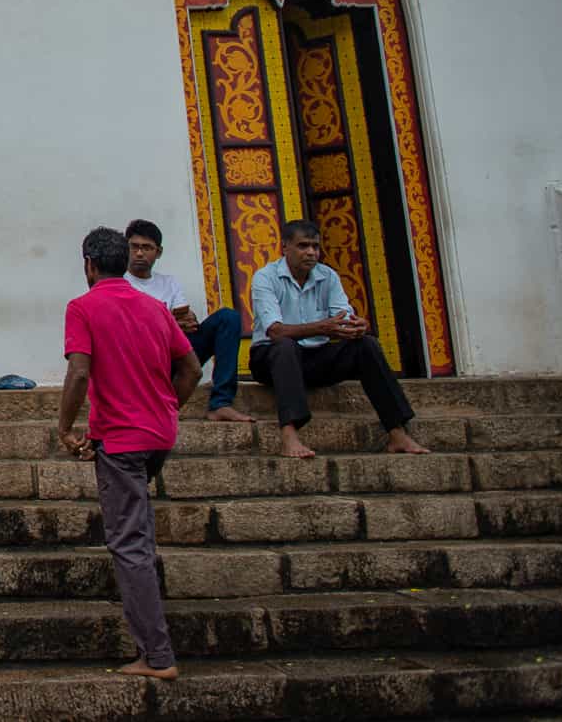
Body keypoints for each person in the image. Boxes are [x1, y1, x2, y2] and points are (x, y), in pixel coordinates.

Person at [56, 226, 202, 682]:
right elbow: (192, 369)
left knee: (129, 544)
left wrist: (64, 428)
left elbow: (80, 373)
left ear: (89, 265)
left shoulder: (82, 307)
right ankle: (153, 642)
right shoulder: (155, 307)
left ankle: (157, 656)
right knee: (138, 534)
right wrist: (168, 408)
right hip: (158, 435)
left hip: (122, 440)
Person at [249, 220, 431, 460]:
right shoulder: (265, 277)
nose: (311, 253)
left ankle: (397, 432)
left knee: (366, 345)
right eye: (303, 246)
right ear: (285, 247)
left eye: (315, 246)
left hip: (314, 357)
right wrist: (323, 327)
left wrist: (357, 327)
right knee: (284, 346)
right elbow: (275, 332)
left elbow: (343, 317)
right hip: (270, 359)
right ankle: (289, 434)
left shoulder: (328, 276)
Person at [124, 218, 254, 424]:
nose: (139, 253)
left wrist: (185, 321)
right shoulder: (118, 283)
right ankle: (158, 413)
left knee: (228, 318)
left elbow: (185, 320)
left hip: (173, 356)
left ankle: (221, 403)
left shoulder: (169, 282)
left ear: (158, 252)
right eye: (134, 247)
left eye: (147, 248)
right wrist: (169, 323)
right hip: (140, 361)